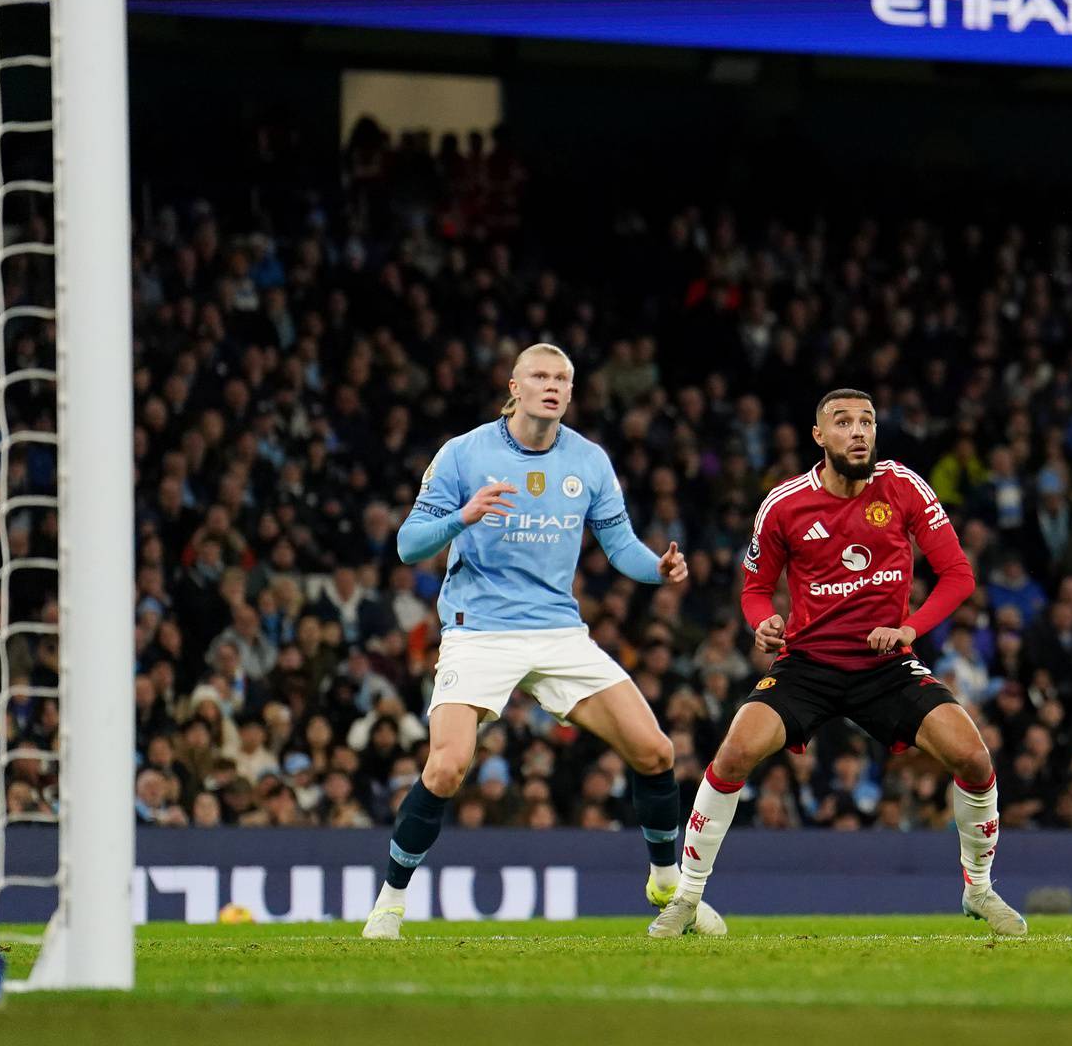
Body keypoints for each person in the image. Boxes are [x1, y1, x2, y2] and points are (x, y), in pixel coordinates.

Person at [361, 343, 720, 939]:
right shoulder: (464, 454)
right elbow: (407, 545)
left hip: (557, 632)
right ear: (515, 386)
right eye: (540, 376)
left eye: (562, 378)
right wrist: (463, 517)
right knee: (446, 768)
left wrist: (657, 568)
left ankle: (665, 886)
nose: (551, 385)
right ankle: (389, 904)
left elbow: (620, 545)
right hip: (479, 632)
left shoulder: (589, 460)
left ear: (570, 392)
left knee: (656, 752)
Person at [649, 388, 1025, 937]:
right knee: (735, 751)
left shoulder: (902, 486)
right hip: (808, 664)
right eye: (843, 422)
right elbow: (755, 589)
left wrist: (908, 629)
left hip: (886, 664)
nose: (858, 431)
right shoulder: (784, 504)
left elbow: (958, 575)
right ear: (819, 437)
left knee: (972, 755)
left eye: (867, 421)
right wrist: (762, 623)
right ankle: (686, 897)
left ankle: (979, 889)